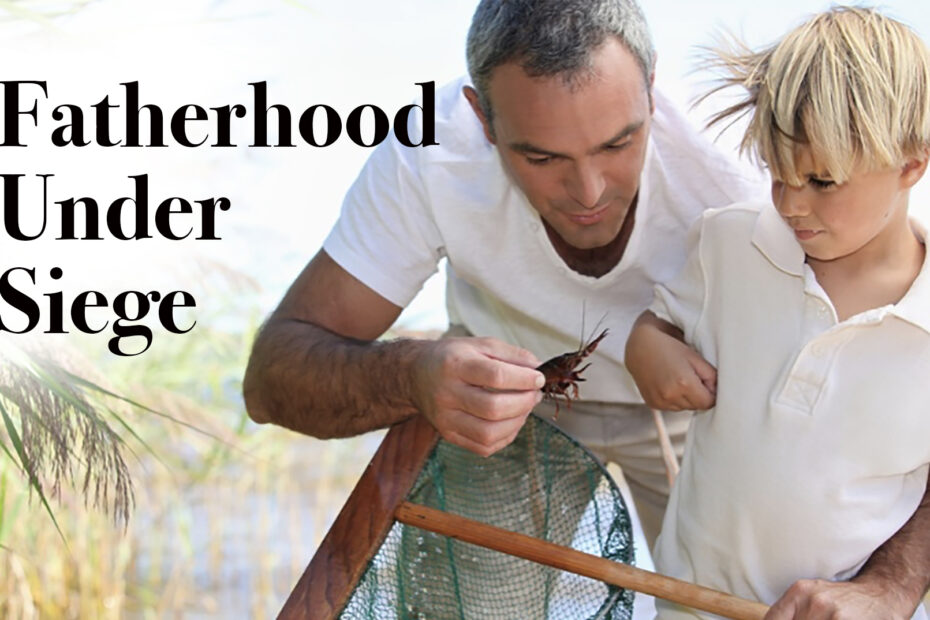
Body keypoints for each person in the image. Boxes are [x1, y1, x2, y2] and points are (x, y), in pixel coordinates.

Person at [243, 0, 930, 615]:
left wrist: (894, 584)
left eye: (617, 143)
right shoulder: (431, 154)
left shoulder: (758, 168)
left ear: (653, 89)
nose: (588, 190)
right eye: (541, 156)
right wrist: (415, 375)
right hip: (506, 407)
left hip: (700, 415)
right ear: (481, 117)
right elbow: (272, 380)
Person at [625, 7, 930, 619]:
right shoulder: (727, 244)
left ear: (910, 165)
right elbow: (657, 325)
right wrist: (646, 349)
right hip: (688, 605)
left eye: (821, 180)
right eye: (776, 173)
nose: (790, 203)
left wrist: (887, 593)